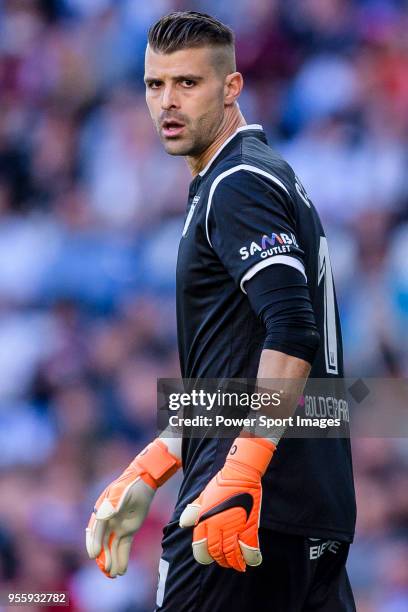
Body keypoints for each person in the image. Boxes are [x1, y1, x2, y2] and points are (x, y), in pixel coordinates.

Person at [86, 11, 356, 611]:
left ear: (231, 87)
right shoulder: (258, 178)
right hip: (311, 508)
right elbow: (239, 362)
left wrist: (243, 470)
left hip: (237, 508)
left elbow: (292, 331)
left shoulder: (238, 184)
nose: (167, 103)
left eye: (188, 83)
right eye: (155, 85)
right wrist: (154, 463)